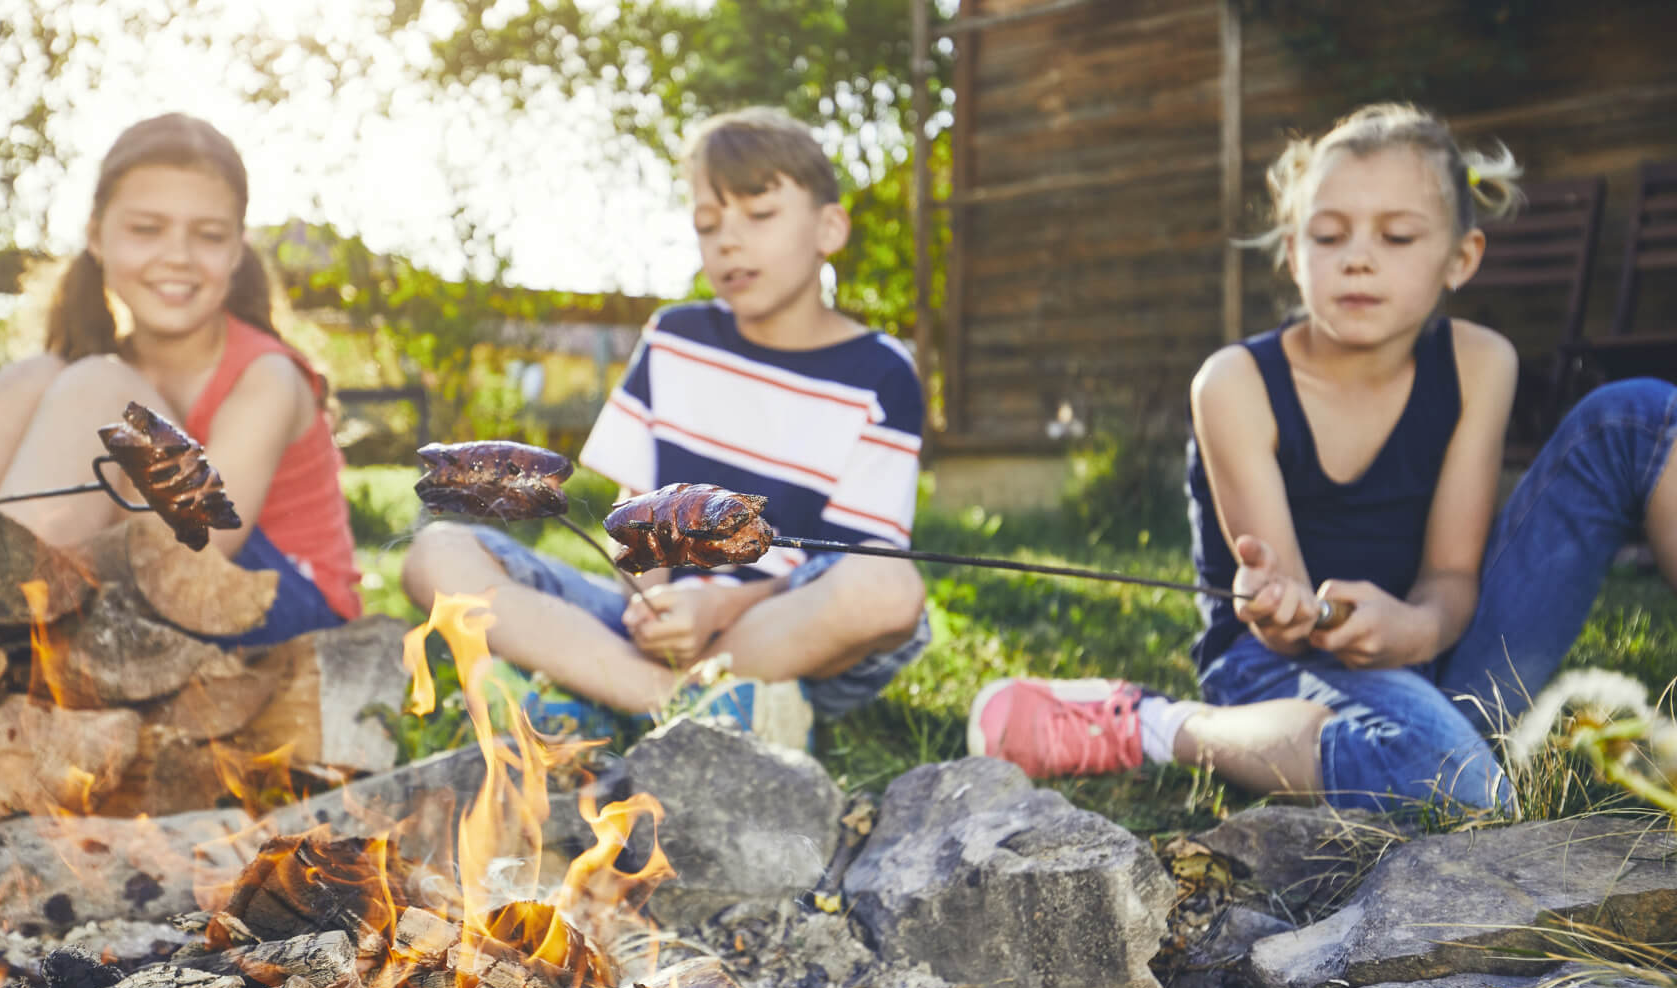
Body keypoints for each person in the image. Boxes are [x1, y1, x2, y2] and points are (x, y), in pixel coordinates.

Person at [968, 103, 1677, 813]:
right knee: (1456, 786)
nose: (1358, 257)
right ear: (1292, 252)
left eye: (1397, 236)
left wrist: (1417, 629)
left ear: (1461, 259)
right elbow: (1288, 613)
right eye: (1328, 235)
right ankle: (1158, 725)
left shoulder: (1481, 362)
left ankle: (1423, 734)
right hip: (1280, 666)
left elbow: (1453, 576)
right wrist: (1279, 606)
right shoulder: (1234, 384)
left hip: (1437, 648)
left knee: (1639, 418)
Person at [401, 106, 930, 745]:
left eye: (759, 216)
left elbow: (849, 556)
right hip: (653, 628)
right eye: (709, 225)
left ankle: (598, 693)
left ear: (829, 228)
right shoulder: (675, 339)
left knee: (888, 586)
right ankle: (675, 704)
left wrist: (720, 606)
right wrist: (646, 607)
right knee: (436, 554)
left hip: (776, 635)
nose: (728, 240)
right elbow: (638, 530)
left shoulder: (882, 372)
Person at [0, 113, 361, 645]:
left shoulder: (268, 376)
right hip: (145, 583)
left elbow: (204, 539)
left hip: (283, 605)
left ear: (237, 250)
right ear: (95, 235)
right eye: (147, 229)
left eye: (208, 235)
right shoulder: (93, 370)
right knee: (37, 378)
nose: (178, 256)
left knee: (97, 387)